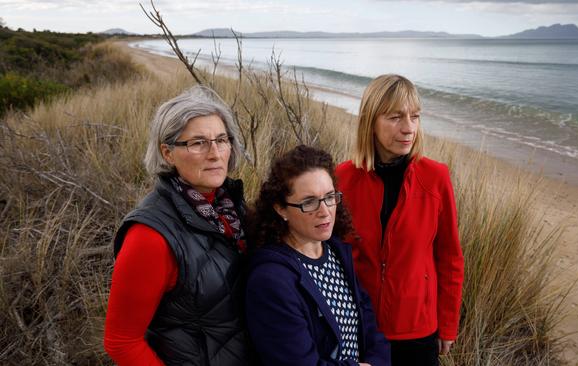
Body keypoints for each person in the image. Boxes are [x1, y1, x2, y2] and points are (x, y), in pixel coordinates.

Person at [104, 85, 250, 365]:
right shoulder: (150, 235)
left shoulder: (230, 206)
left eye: (221, 139)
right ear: (168, 153)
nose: (215, 153)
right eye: (197, 142)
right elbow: (122, 342)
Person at [335, 74, 464, 366]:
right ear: (370, 121)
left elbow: (450, 256)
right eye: (395, 117)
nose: (409, 128)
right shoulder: (342, 178)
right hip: (358, 324)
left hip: (418, 329)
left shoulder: (435, 177)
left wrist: (448, 323)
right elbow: (329, 252)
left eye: (415, 117)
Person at [245, 145, 390, 366]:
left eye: (330, 197)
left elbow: (369, 326)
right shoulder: (271, 280)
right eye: (309, 202)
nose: (325, 211)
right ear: (280, 209)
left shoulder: (336, 251)